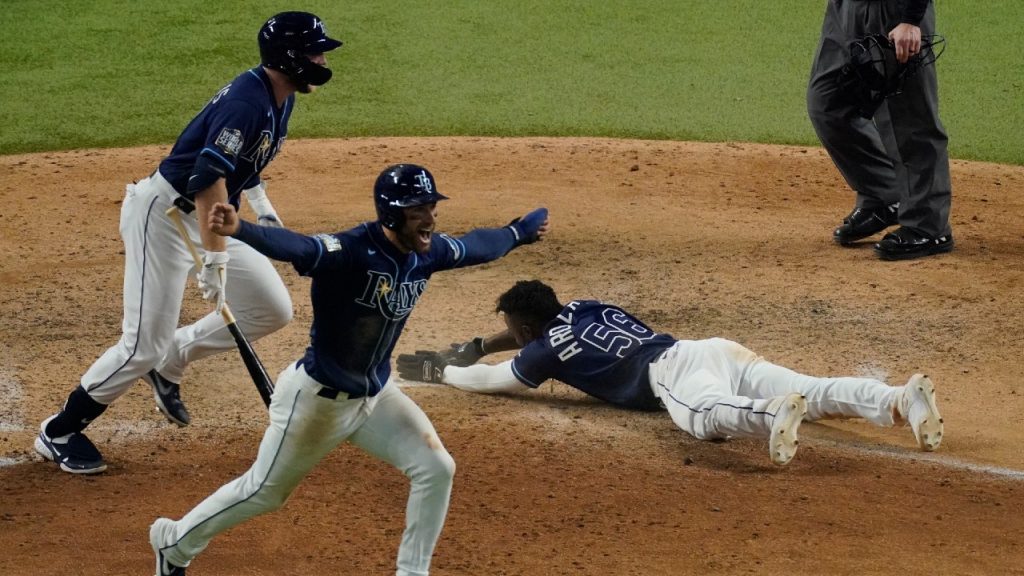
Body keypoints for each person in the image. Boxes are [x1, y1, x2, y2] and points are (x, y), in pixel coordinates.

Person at [148, 163, 550, 576]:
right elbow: (300, 247)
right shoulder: (352, 252)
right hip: (318, 403)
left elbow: (477, 246)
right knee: (264, 492)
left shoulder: (422, 256)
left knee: (435, 468)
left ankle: (412, 572)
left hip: (375, 396)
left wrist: (518, 232)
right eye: (419, 211)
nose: (430, 219)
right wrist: (241, 229)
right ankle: (174, 544)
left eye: (431, 207)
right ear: (393, 214)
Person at [34, 12, 343, 475]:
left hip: (215, 216)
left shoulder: (279, 95)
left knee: (270, 308)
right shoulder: (246, 103)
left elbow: (248, 160)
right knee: (141, 346)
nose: (322, 59)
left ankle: (172, 360)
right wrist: (215, 264)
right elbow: (207, 178)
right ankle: (58, 431)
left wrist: (262, 207)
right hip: (165, 218)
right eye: (315, 51)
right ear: (291, 57)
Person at [397, 280, 944, 465]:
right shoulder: (585, 306)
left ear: (525, 327)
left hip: (670, 376)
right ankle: (901, 399)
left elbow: (497, 379)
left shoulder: (544, 352)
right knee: (813, 389)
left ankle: (769, 415)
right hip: (712, 350)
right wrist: (476, 342)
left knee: (704, 418)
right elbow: (526, 334)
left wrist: (445, 371)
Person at [807, 0, 953, 260]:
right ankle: (883, 194)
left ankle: (928, 225)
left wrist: (911, 18)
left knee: (910, 121)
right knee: (828, 103)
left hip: (896, 12)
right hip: (846, 9)